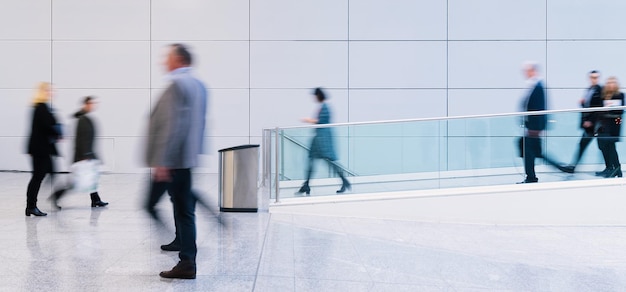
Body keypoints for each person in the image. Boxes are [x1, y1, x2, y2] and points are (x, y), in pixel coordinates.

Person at [146, 43, 207, 279]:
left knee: (155, 205)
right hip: (187, 158)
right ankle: (181, 242)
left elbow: (173, 125)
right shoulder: (199, 85)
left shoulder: (177, 84)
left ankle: (187, 262)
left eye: (167, 58)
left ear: (179, 60)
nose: (164, 62)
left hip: (174, 160)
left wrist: (163, 160)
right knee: (182, 205)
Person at [51, 96, 109, 208]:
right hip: (83, 156)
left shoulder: (85, 118)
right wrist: (85, 155)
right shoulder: (83, 119)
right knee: (75, 182)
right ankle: (56, 196)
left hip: (86, 154)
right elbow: (81, 139)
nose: (93, 105)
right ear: (86, 104)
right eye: (91, 103)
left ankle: (96, 200)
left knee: (91, 178)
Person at [517, 62, 569, 184]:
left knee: (528, 150)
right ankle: (562, 168)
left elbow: (540, 108)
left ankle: (531, 177)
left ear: (533, 71)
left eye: (527, 71)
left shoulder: (538, 86)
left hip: (534, 127)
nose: (525, 73)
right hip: (532, 126)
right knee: (535, 152)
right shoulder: (533, 85)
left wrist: (536, 127)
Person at [295, 87, 350, 195]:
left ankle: (344, 181)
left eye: (315, 96)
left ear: (319, 96)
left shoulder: (325, 107)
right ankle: (306, 185)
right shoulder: (323, 106)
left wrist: (308, 120)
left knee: (329, 161)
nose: (314, 98)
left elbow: (321, 121)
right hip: (319, 139)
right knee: (313, 161)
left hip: (323, 140)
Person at [25, 82, 63, 216]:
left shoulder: (42, 107)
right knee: (38, 177)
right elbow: (47, 126)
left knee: (49, 173)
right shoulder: (40, 107)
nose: (51, 93)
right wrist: (57, 131)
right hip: (40, 149)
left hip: (43, 149)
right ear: (42, 92)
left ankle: (53, 199)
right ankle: (31, 206)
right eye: (48, 90)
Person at [564, 70, 604, 172]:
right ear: (589, 78)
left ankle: (610, 167)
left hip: (595, 125)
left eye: (596, 77)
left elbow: (599, 108)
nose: (594, 79)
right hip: (589, 125)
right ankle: (573, 166)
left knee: (603, 146)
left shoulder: (600, 90)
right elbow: (588, 106)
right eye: (592, 77)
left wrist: (591, 121)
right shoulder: (589, 90)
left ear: (598, 78)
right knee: (584, 144)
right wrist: (582, 103)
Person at [595, 76, 624, 178]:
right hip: (603, 126)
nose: (611, 84)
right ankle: (609, 168)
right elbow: (600, 111)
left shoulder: (620, 95)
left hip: (614, 125)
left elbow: (620, 112)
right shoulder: (604, 96)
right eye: (609, 82)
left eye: (613, 82)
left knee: (611, 147)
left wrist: (609, 110)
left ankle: (617, 169)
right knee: (603, 146)